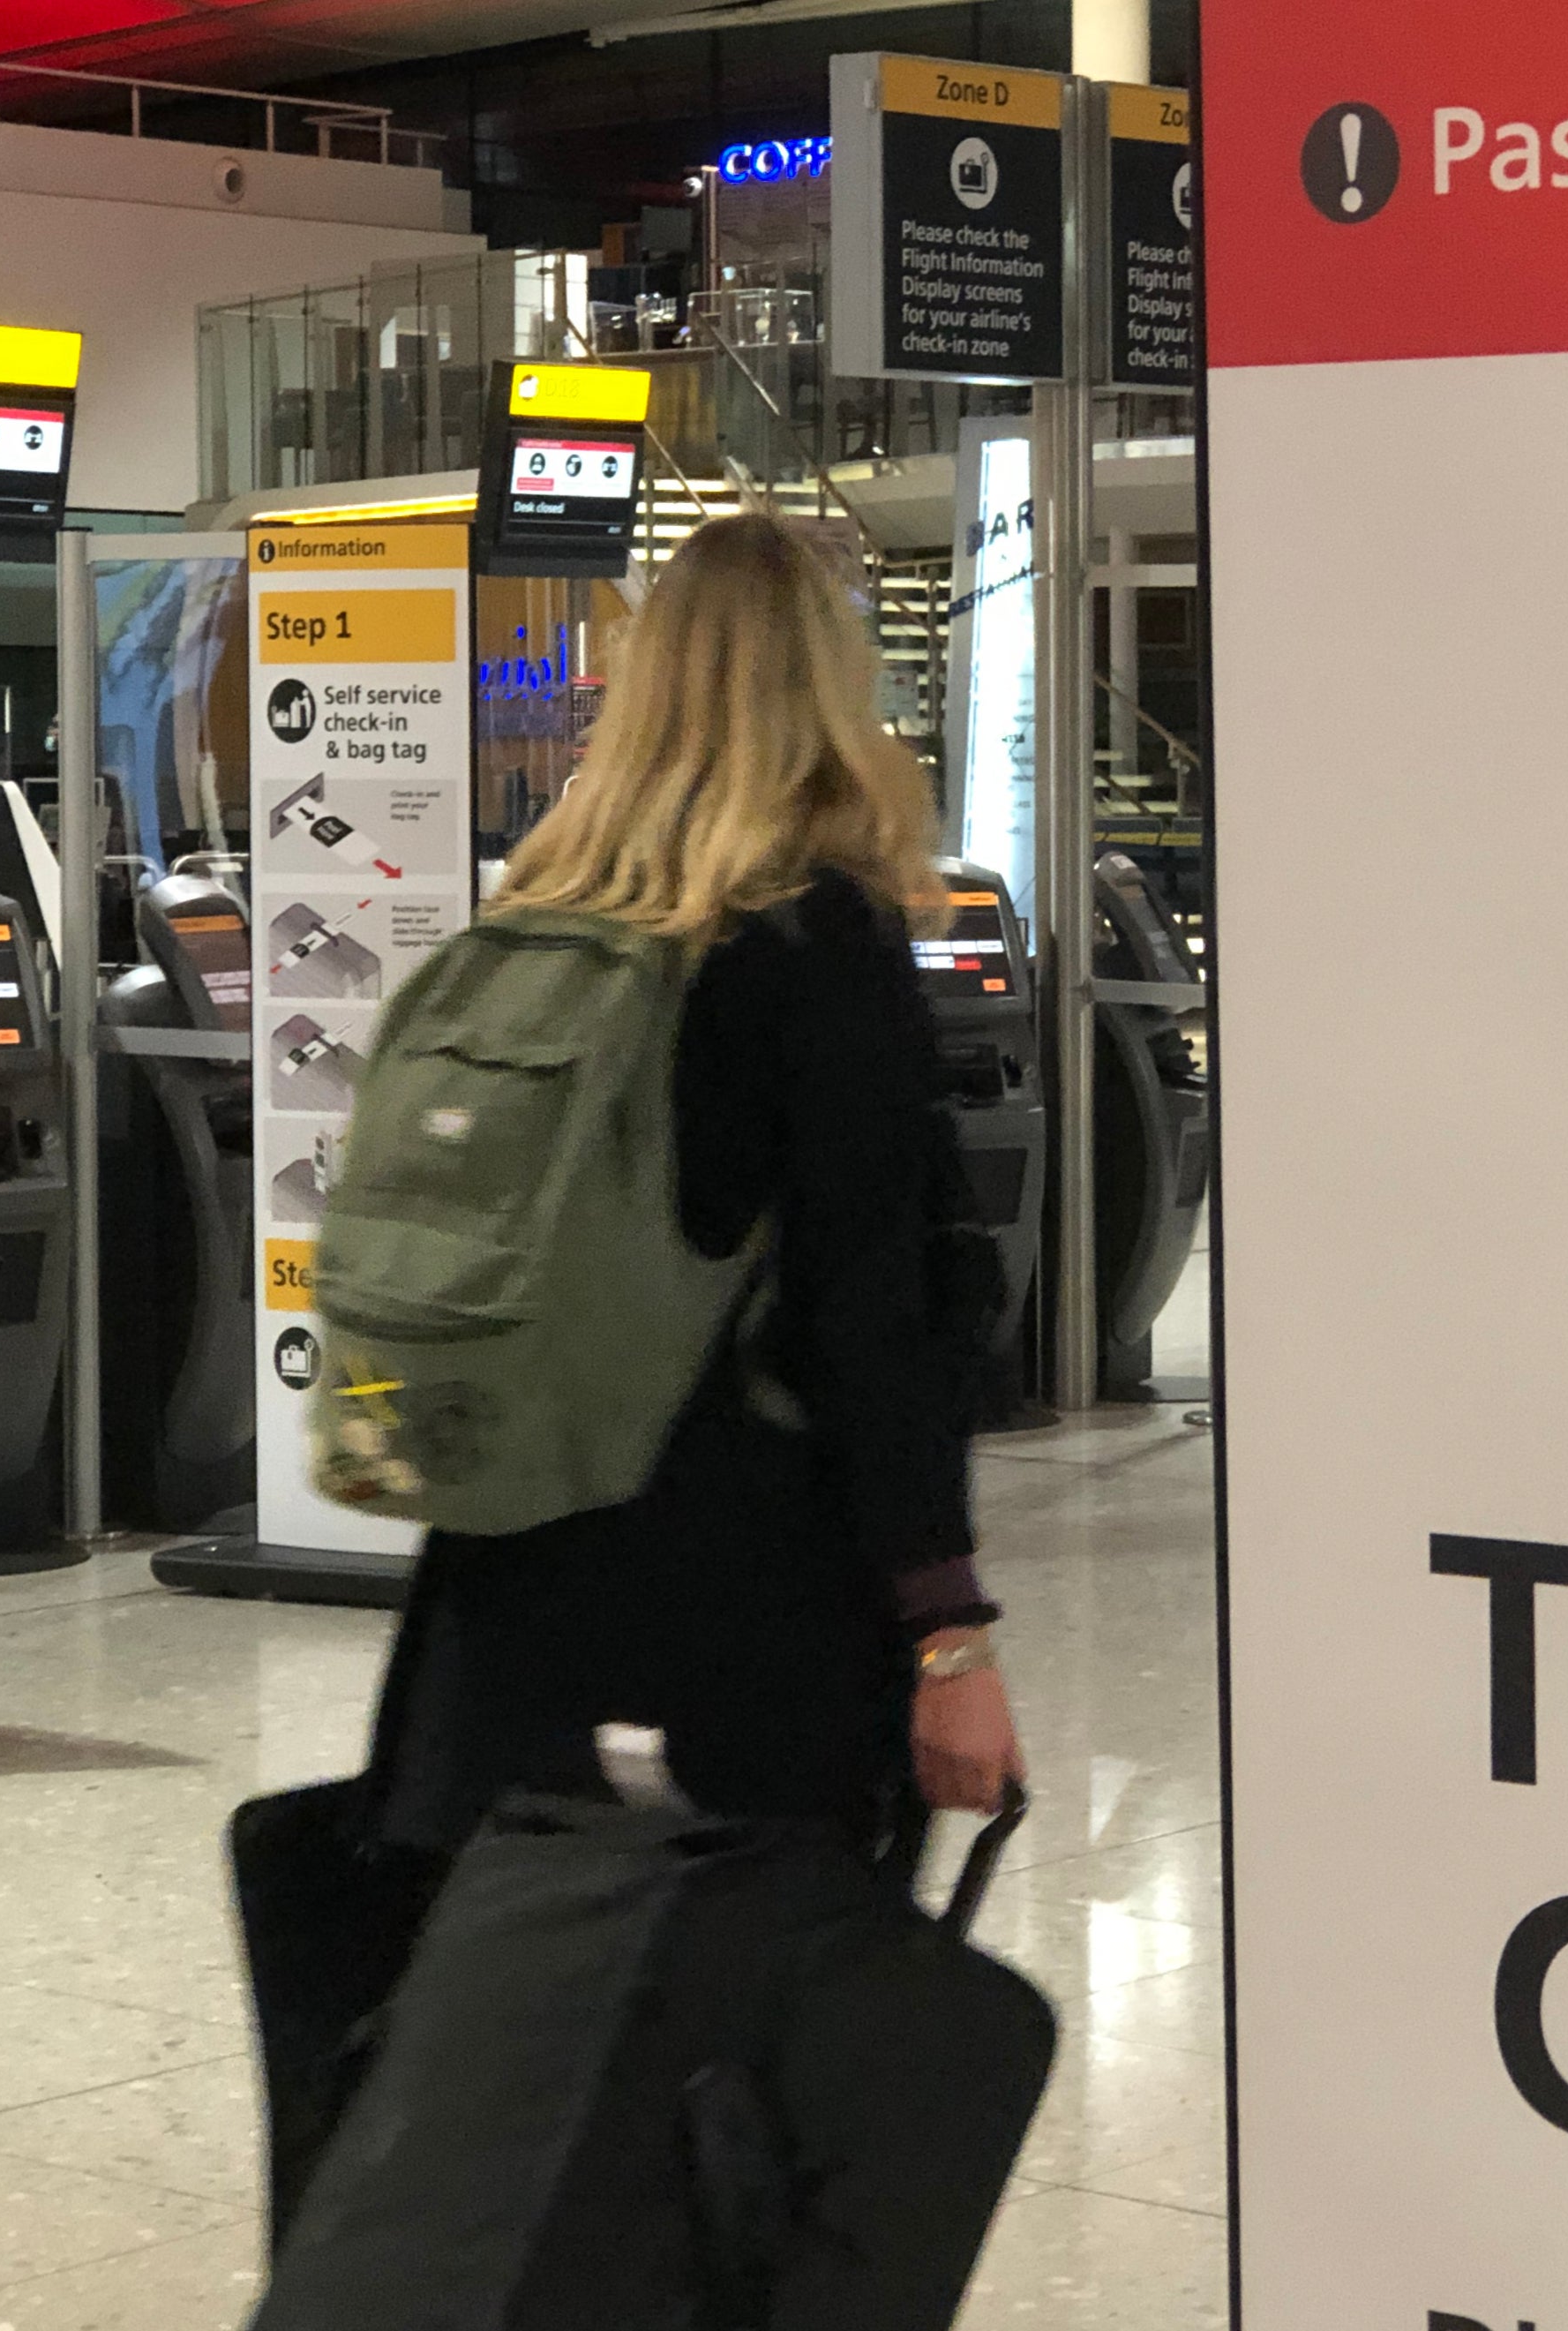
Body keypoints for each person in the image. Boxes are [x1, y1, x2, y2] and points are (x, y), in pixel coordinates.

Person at [364, 513, 1026, 1856]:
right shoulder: (811, 936)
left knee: (542, 2006)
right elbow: (866, 1306)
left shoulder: (541, 908)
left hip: (508, 1581)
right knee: (758, 2023)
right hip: (744, 1595)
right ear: (827, 690)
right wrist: (947, 1628)